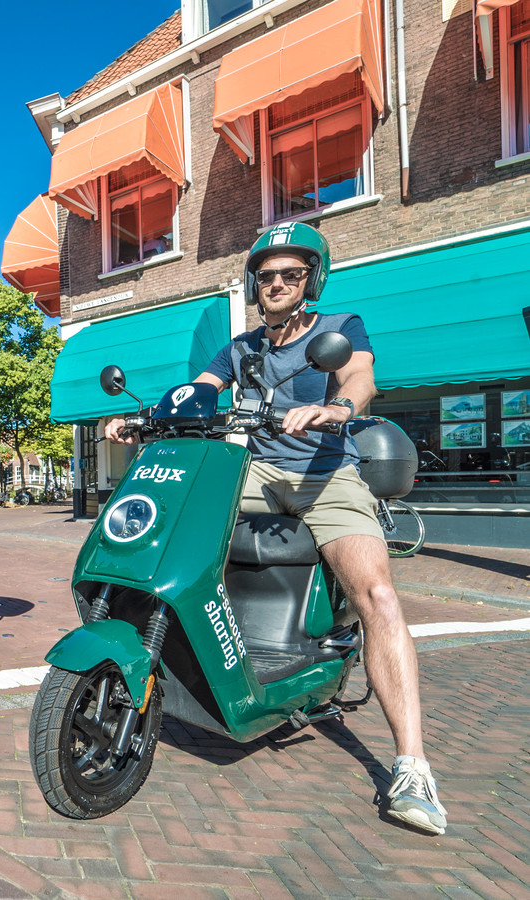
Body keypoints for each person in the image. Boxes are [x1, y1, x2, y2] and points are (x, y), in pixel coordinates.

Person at [104, 221, 446, 835]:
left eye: (291, 274)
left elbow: (360, 377)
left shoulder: (339, 329)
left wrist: (338, 408)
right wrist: (145, 420)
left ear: (311, 280)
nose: (279, 283)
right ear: (254, 284)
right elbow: (198, 394)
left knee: (379, 596)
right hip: (257, 471)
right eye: (267, 276)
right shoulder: (240, 348)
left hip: (324, 472)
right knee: (176, 516)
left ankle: (412, 765)